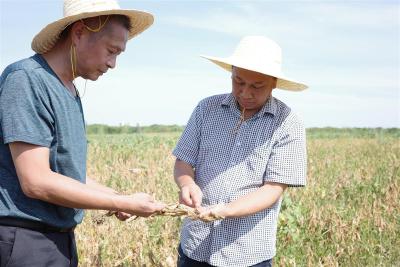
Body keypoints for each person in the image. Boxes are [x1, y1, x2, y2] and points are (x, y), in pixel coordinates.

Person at [0, 1, 164, 266]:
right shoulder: (27, 79)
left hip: (58, 240)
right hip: (25, 240)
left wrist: (119, 200)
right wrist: (116, 200)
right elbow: (36, 180)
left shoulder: (69, 90)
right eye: (112, 51)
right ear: (79, 33)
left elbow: (68, 174)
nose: (113, 64)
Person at [173, 36, 308, 267]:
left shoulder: (287, 122)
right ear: (232, 74)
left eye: (257, 86)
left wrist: (225, 211)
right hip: (196, 244)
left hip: (247, 251)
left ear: (274, 83)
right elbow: (183, 162)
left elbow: (274, 188)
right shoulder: (206, 109)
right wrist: (187, 184)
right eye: (238, 82)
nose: (245, 92)